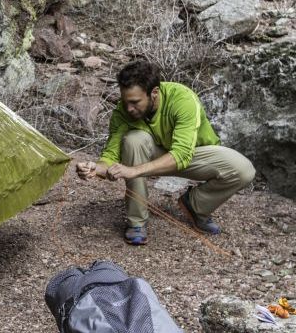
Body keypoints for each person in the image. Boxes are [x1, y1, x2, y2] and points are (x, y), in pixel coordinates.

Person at [75, 59, 254, 245]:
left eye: (135, 102)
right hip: (154, 156)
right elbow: (110, 157)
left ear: (154, 93)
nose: (129, 108)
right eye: (125, 101)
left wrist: (134, 170)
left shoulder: (182, 99)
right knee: (133, 140)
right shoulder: (123, 112)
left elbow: (182, 155)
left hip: (194, 156)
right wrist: (96, 168)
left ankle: (195, 205)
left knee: (244, 170)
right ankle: (136, 222)